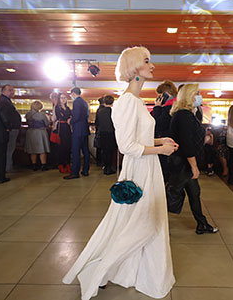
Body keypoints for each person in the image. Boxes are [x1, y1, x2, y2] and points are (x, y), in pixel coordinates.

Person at [63, 46, 177, 300]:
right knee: (141, 223)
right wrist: (160, 150)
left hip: (147, 166)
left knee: (141, 221)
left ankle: (129, 271)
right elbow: (127, 146)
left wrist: (160, 140)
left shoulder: (135, 101)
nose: (152, 66)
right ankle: (102, 269)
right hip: (139, 170)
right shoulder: (126, 102)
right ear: (134, 67)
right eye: (147, 61)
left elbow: (140, 138)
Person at [166, 83, 218, 234]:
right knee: (172, 196)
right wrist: (194, 166)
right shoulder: (184, 115)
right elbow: (187, 144)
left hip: (183, 163)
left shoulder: (186, 114)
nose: (199, 96)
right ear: (189, 96)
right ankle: (150, 223)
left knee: (194, 193)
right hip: (182, 164)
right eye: (197, 93)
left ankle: (202, 224)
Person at [152, 80, 178, 182]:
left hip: (166, 142)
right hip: (174, 143)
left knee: (166, 174)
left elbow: (159, 124)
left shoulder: (169, 107)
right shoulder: (177, 105)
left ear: (165, 95)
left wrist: (157, 107)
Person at [64, 87, 91, 179]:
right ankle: (85, 170)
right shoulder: (84, 102)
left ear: (73, 93)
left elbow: (77, 116)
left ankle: (75, 172)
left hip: (78, 130)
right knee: (86, 151)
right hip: (84, 129)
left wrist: (70, 121)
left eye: (71, 94)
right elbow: (86, 115)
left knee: (76, 151)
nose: (71, 96)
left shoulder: (76, 102)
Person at [0, 84, 21, 172]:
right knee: (9, 149)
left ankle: (8, 167)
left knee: (10, 149)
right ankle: (7, 168)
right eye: (10, 90)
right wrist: (8, 126)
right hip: (10, 129)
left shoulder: (6, 101)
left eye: (13, 90)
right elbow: (3, 115)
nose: (12, 92)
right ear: (3, 91)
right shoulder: (3, 101)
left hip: (11, 128)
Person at [25, 101, 50, 171]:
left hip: (30, 132)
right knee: (42, 149)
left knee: (33, 150)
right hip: (40, 132)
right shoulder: (42, 115)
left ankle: (34, 165)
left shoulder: (28, 114)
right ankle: (43, 165)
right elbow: (47, 124)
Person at [95, 95, 117, 175]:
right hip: (111, 133)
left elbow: (96, 123)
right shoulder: (114, 111)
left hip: (102, 133)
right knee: (110, 152)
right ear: (112, 102)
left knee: (104, 151)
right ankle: (109, 168)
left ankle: (105, 167)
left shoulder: (100, 111)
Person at [54, 93, 72, 173]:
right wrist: (68, 118)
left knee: (68, 147)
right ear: (59, 99)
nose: (63, 99)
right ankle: (60, 164)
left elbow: (71, 116)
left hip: (67, 128)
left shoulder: (67, 108)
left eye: (64, 98)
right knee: (61, 147)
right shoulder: (57, 107)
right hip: (61, 127)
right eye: (61, 98)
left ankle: (67, 164)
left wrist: (69, 118)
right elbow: (60, 117)